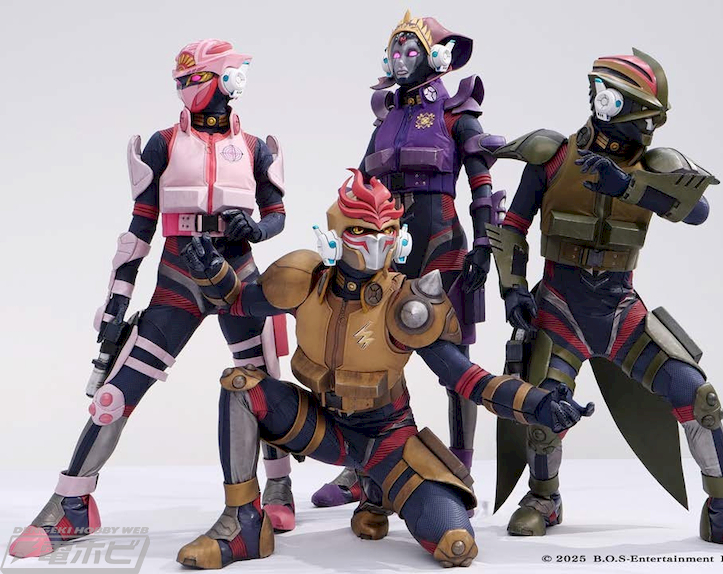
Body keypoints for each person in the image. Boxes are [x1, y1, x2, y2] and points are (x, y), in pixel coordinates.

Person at [175, 169, 593, 568]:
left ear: (400, 238)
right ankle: (244, 525)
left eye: (387, 230)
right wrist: (214, 274)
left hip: (387, 440)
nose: (376, 242)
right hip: (323, 428)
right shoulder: (304, 281)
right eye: (361, 230)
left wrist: (539, 404)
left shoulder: (408, 304)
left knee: (456, 544)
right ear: (335, 235)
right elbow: (239, 302)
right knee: (241, 386)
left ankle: (380, 491)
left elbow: (466, 378)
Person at [487, 48, 723, 557]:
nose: (646, 129)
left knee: (696, 394)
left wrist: (629, 186)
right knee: (544, 403)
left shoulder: (655, 166)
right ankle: (544, 498)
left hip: (620, 311)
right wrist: (513, 287)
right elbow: (513, 226)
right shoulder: (553, 155)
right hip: (559, 308)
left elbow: (697, 212)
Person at [10, 39, 292, 559]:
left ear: (228, 79)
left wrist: (256, 228)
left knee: (264, 378)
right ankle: (72, 504)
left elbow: (276, 214)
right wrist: (117, 298)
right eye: (182, 81)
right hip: (178, 280)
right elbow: (138, 230)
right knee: (116, 393)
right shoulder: (163, 144)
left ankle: (277, 485)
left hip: (239, 277)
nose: (187, 89)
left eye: (197, 78)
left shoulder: (256, 147)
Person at [312, 9, 507, 511]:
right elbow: (358, 186)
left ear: (434, 56)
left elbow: (483, 186)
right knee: (366, 356)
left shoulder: (456, 114)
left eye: (410, 50)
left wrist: (485, 245)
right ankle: (362, 469)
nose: (400, 59)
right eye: (394, 51)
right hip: (384, 250)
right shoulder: (386, 118)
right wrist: (341, 245)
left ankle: (460, 469)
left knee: (454, 362)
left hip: (442, 248)